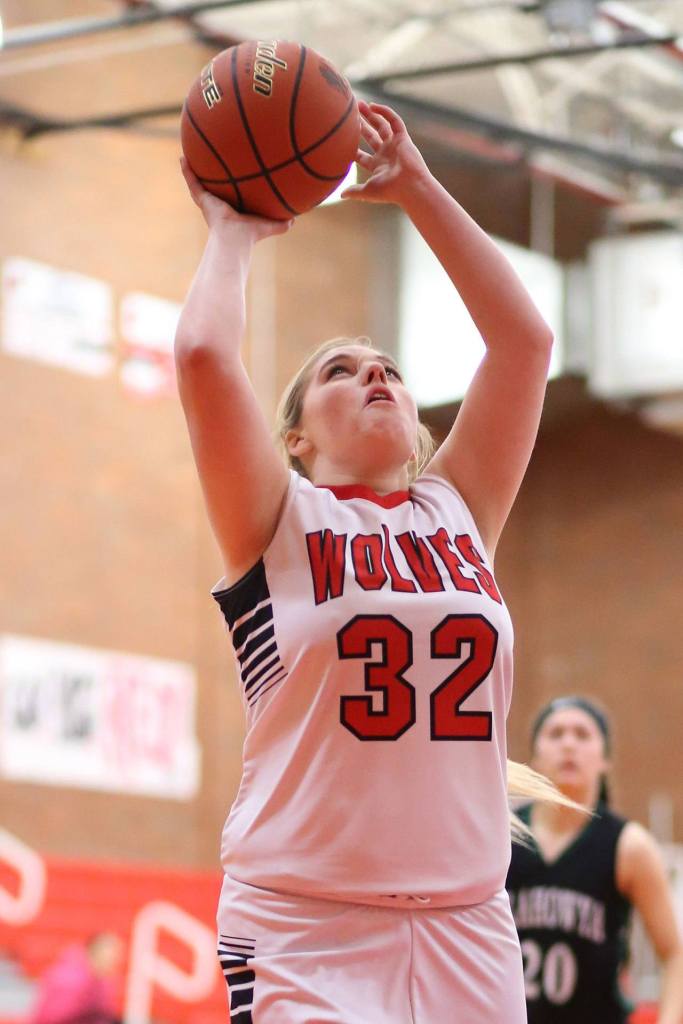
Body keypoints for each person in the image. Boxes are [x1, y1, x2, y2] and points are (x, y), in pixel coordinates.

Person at [176, 98, 560, 1023]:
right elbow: (199, 352)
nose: (375, 374)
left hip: (469, 923)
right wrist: (232, 229)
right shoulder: (278, 518)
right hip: (304, 923)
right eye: (340, 372)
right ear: (296, 438)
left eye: (385, 365)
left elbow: (524, 344)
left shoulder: (456, 510)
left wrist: (418, 187)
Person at [506, 696, 683, 1024]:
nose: (569, 744)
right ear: (535, 755)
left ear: (605, 760)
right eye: (556, 734)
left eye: (582, 734)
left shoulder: (629, 845)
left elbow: (675, 954)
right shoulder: (504, 834)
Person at [26, 931, 123, 1024]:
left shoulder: (100, 980)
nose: (116, 960)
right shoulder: (73, 980)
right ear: (97, 952)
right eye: (112, 954)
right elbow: (52, 1016)